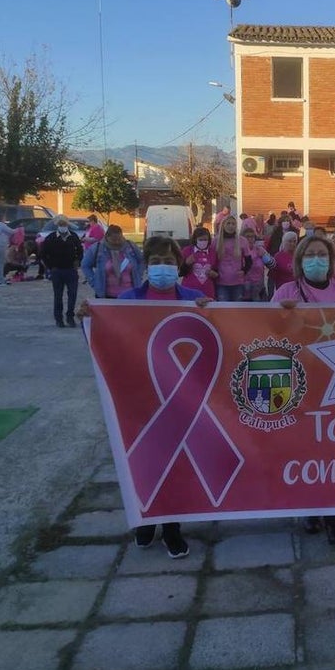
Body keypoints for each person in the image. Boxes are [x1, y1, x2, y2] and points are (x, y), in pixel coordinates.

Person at [115, 235, 210, 559]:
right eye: (155, 262)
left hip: (182, 395)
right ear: (146, 265)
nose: (162, 267)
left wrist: (211, 314)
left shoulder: (195, 298)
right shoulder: (126, 300)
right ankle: (146, 519)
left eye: (168, 261)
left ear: (179, 264)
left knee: (176, 465)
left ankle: (171, 527)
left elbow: (220, 335)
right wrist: (90, 317)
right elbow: (105, 343)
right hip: (141, 395)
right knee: (143, 460)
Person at [272, 234, 335, 546]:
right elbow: (264, 330)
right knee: (307, 448)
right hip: (302, 381)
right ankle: (310, 507)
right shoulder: (286, 291)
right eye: (310, 254)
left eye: (322, 254)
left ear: (331, 260)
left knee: (334, 448)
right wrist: (277, 314)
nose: (317, 259)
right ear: (299, 261)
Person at [40, 215, 84, 327]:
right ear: (57, 226)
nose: (62, 226)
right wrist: (51, 267)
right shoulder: (51, 238)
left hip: (71, 270)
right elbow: (43, 254)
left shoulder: (73, 236)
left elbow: (80, 251)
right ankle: (58, 319)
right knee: (58, 296)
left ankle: (70, 317)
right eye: (60, 225)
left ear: (67, 225)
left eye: (64, 224)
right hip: (57, 271)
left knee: (72, 295)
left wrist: (77, 261)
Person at [81, 224, 143, 300]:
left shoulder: (130, 246)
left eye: (119, 239)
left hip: (130, 294)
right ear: (107, 237)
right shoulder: (97, 248)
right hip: (106, 295)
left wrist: (139, 276)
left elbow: (141, 261)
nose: (117, 242)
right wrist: (94, 282)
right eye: (114, 240)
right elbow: (85, 265)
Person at [214, 214, 251, 301]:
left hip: (237, 282)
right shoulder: (216, 241)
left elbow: (249, 260)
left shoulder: (242, 241)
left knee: (236, 310)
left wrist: (244, 271)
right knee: (224, 309)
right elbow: (212, 260)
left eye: (233, 224)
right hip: (221, 282)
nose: (231, 226)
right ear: (223, 225)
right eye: (228, 223)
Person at [181, 226, 218, 298]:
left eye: (205, 240)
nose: (203, 242)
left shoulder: (212, 252)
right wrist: (186, 264)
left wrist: (214, 274)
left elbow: (217, 270)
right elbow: (180, 273)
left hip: (208, 291)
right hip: (189, 290)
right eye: (200, 240)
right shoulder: (187, 251)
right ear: (195, 240)